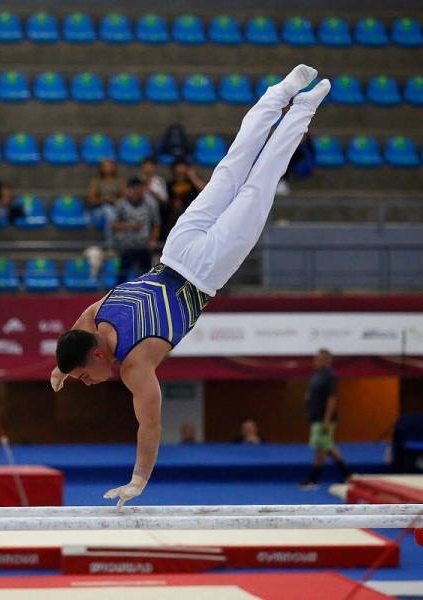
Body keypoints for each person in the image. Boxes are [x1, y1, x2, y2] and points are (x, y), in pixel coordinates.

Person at [50, 65, 329, 506]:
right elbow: (77, 328)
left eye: (84, 374)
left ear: (99, 354)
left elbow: (151, 425)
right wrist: (61, 368)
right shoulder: (93, 316)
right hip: (176, 247)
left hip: (205, 270)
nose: (87, 382)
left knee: (258, 184)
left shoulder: (135, 366)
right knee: (233, 168)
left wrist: (138, 481)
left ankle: (304, 108)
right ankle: (282, 93)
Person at [300, 349, 351, 489]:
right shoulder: (317, 375)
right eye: (315, 358)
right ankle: (348, 475)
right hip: (315, 418)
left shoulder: (330, 376)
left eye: (319, 359)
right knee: (327, 447)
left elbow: (332, 399)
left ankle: (313, 479)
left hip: (324, 419)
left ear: (327, 360)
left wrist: (327, 420)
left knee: (320, 448)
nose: (316, 361)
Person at [112, 177, 160, 284]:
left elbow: (157, 224)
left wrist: (153, 239)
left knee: (147, 276)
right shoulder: (121, 204)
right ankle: (117, 296)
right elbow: (114, 225)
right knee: (122, 275)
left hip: (144, 245)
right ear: (129, 190)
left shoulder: (151, 203)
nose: (137, 191)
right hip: (127, 245)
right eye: (134, 189)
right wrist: (130, 226)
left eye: (139, 188)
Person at [164, 158, 206, 241]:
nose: (181, 169)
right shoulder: (170, 183)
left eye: (183, 166)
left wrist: (193, 176)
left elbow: (205, 190)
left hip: (193, 209)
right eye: (179, 166)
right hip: (175, 213)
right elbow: (167, 200)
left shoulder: (192, 181)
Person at [86, 158, 125, 242]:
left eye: (110, 165)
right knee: (108, 211)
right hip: (98, 210)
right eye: (105, 166)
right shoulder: (96, 182)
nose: (108, 168)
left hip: (116, 208)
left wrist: (113, 200)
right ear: (100, 168)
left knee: (111, 213)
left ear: (114, 167)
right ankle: (111, 243)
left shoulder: (119, 181)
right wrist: (103, 199)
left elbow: (124, 200)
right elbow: (90, 200)